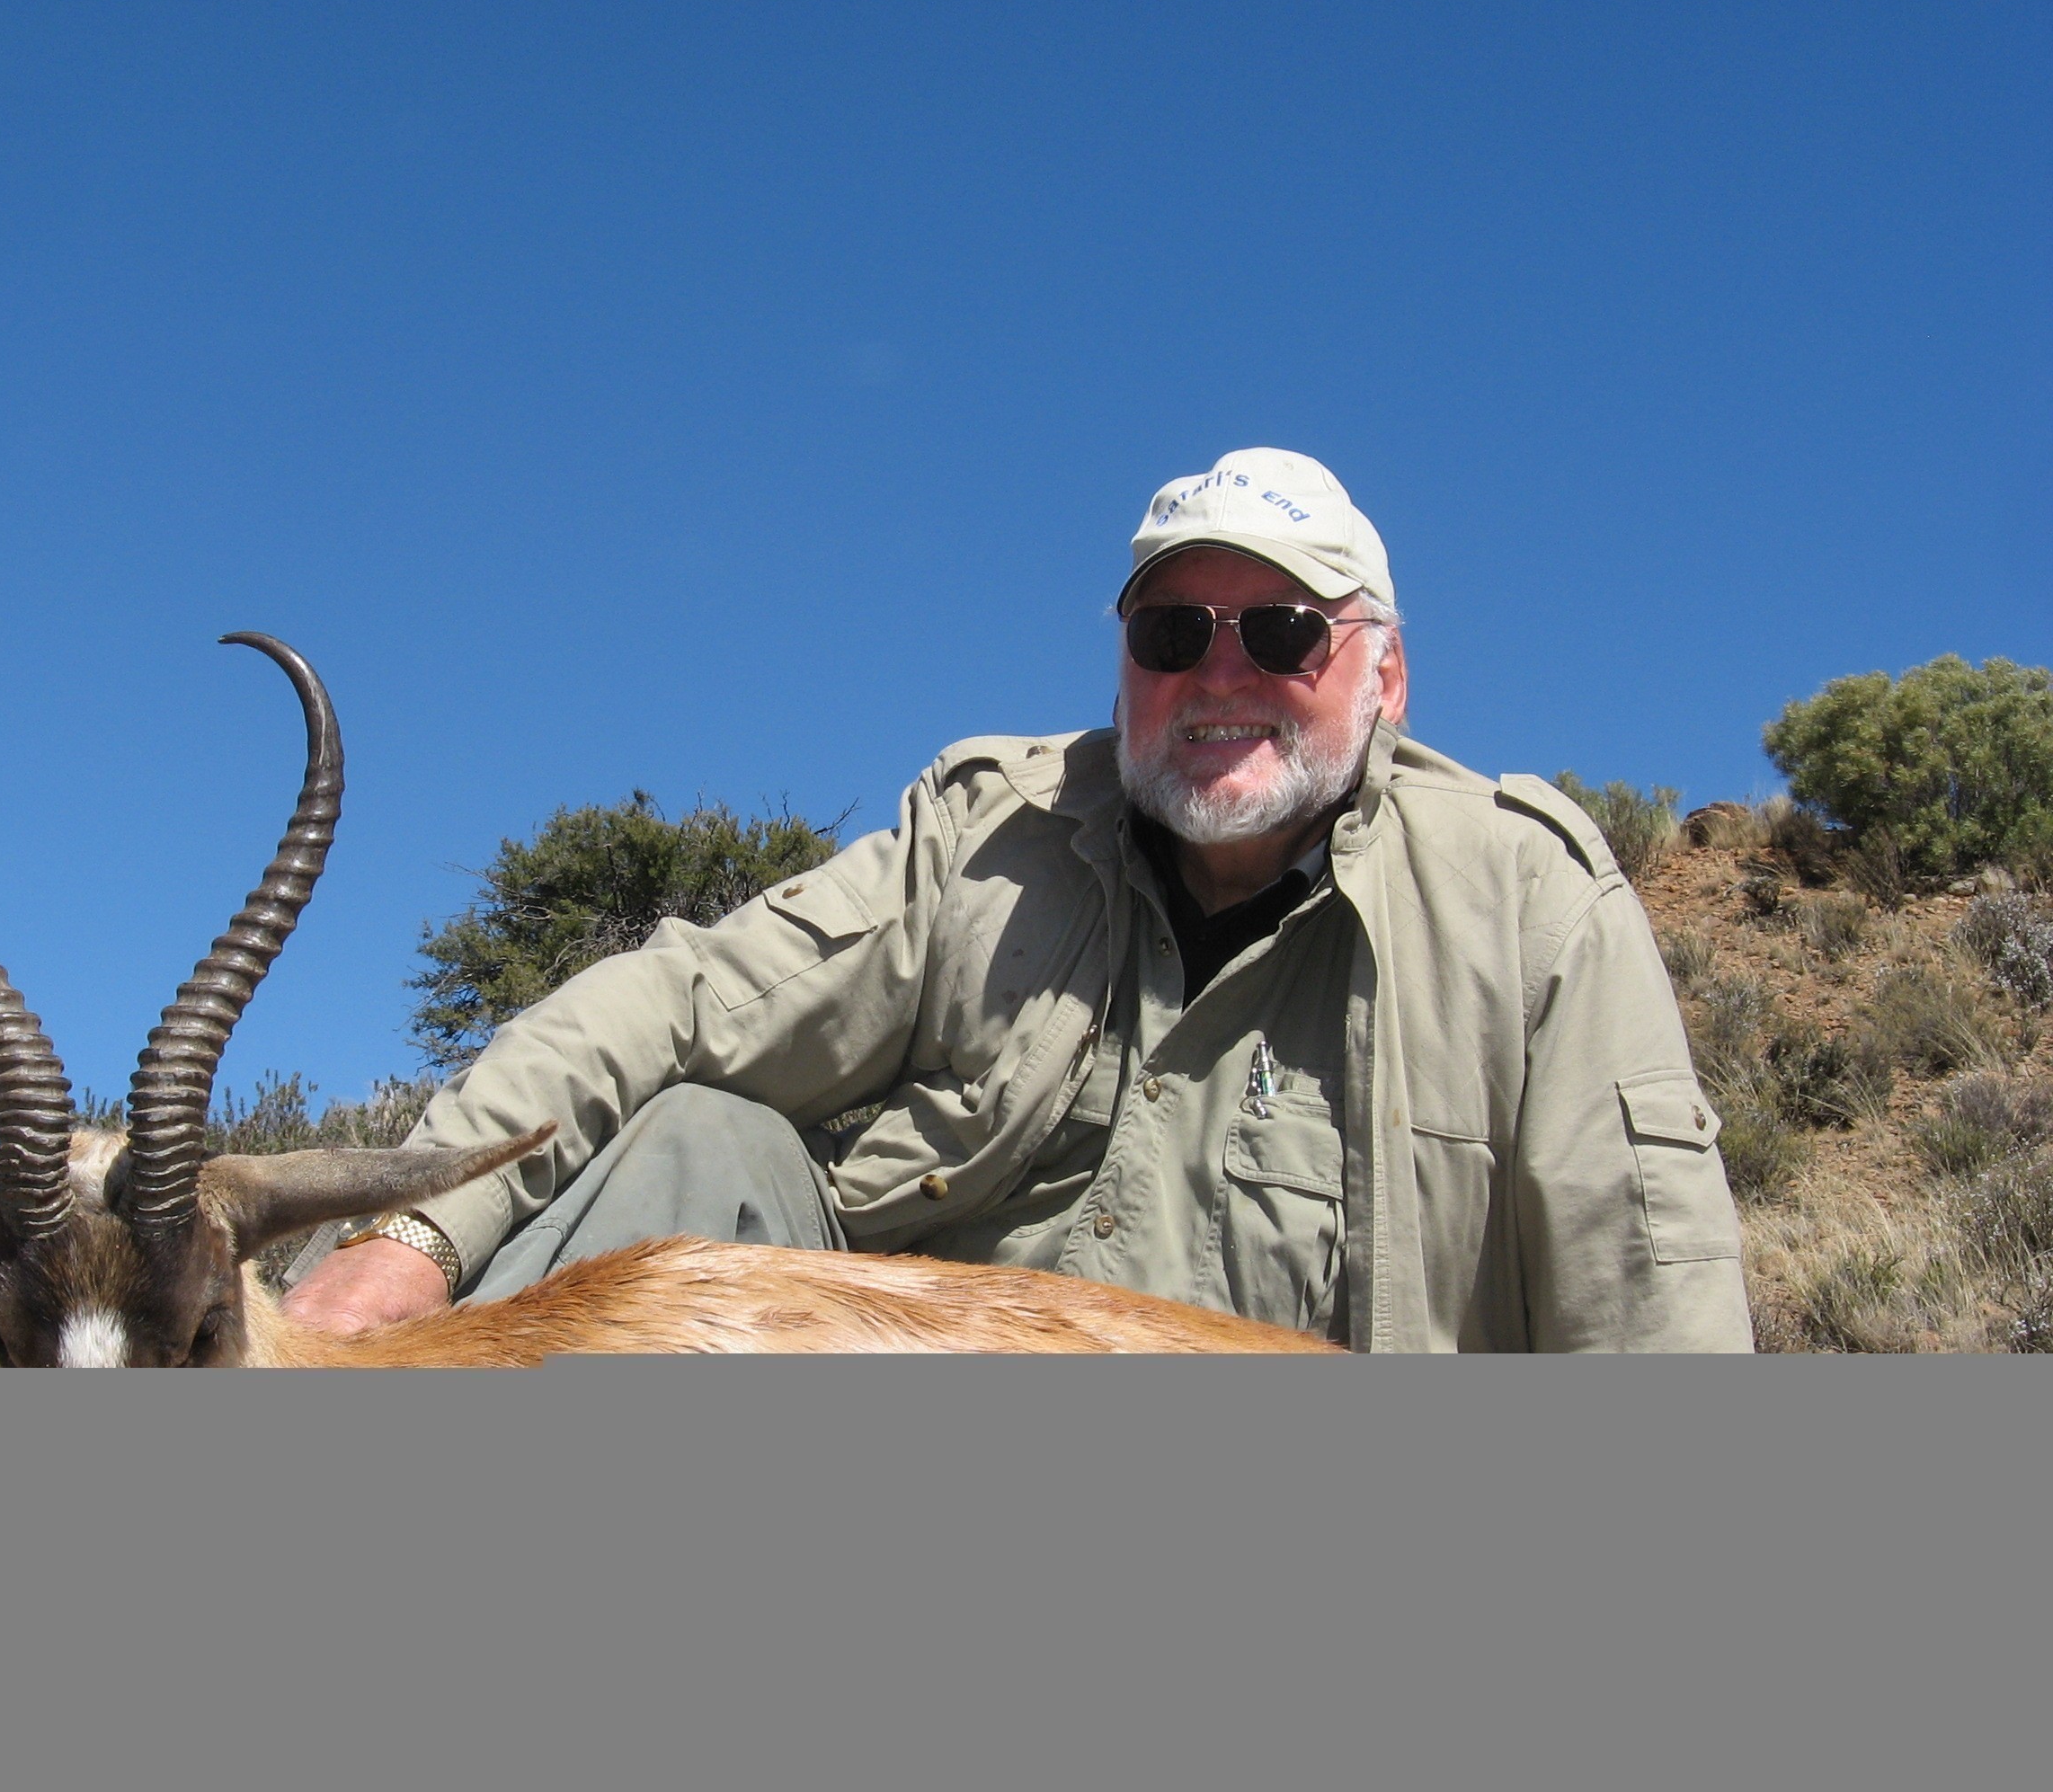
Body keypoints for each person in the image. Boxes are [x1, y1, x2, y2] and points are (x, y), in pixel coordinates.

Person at [284, 447, 1754, 1351]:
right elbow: (680, 1002)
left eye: (1285, 631)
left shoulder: (1532, 912)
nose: (1221, 675)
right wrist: (408, 1239)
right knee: (698, 1137)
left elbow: (1653, 1326)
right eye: (1176, 629)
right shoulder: (992, 834)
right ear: (1123, 665)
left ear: (1387, 679)